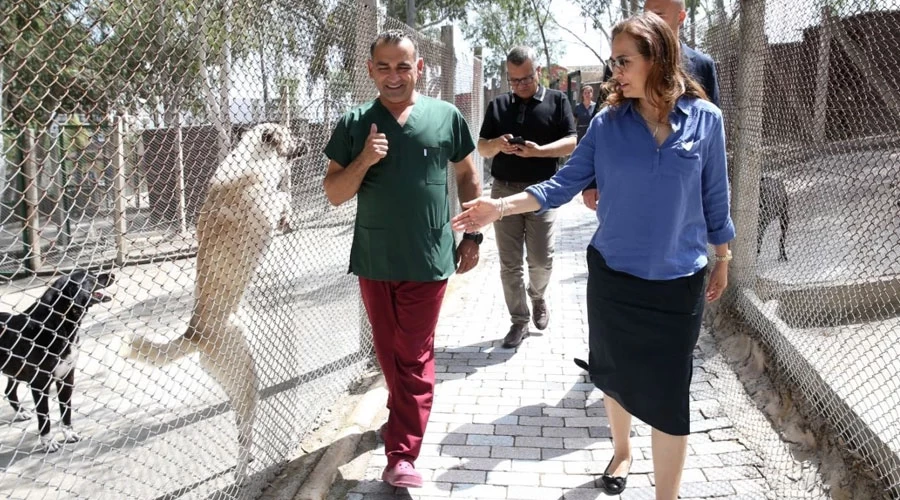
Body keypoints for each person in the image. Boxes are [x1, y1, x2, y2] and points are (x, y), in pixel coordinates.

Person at [451, 12, 735, 500]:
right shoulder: (607, 125)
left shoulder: (706, 120)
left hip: (678, 281)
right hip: (615, 279)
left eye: (624, 61)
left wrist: (723, 255)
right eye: (612, 62)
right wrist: (498, 207)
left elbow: (715, 195)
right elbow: (562, 185)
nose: (615, 72)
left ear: (657, 59)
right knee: (614, 373)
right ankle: (621, 450)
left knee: (670, 396)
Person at [322, 30, 481, 489]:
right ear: (371, 70)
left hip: (429, 258)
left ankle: (402, 453)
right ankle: (400, 418)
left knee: (413, 354)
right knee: (391, 353)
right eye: (385, 67)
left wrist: (474, 236)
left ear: (420, 69)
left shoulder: (445, 117)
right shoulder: (355, 122)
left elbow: (469, 175)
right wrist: (364, 161)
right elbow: (334, 193)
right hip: (374, 257)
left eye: (403, 66)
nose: (394, 76)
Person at [477, 46, 577, 348]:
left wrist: (539, 152)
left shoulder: (558, 101)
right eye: (514, 80)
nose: (520, 85)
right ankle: (518, 321)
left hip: (542, 192)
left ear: (538, 72)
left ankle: (538, 297)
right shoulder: (497, 106)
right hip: (502, 191)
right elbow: (482, 147)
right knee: (509, 264)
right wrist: (497, 144)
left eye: (525, 79)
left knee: (540, 260)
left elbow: (572, 142)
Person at [583, 0, 720, 210]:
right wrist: (591, 181)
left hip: (683, 187)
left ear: (681, 18)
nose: (648, 21)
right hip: (631, 182)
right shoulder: (621, 63)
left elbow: (711, 136)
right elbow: (601, 127)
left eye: (657, 15)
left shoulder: (701, 65)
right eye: (645, 13)